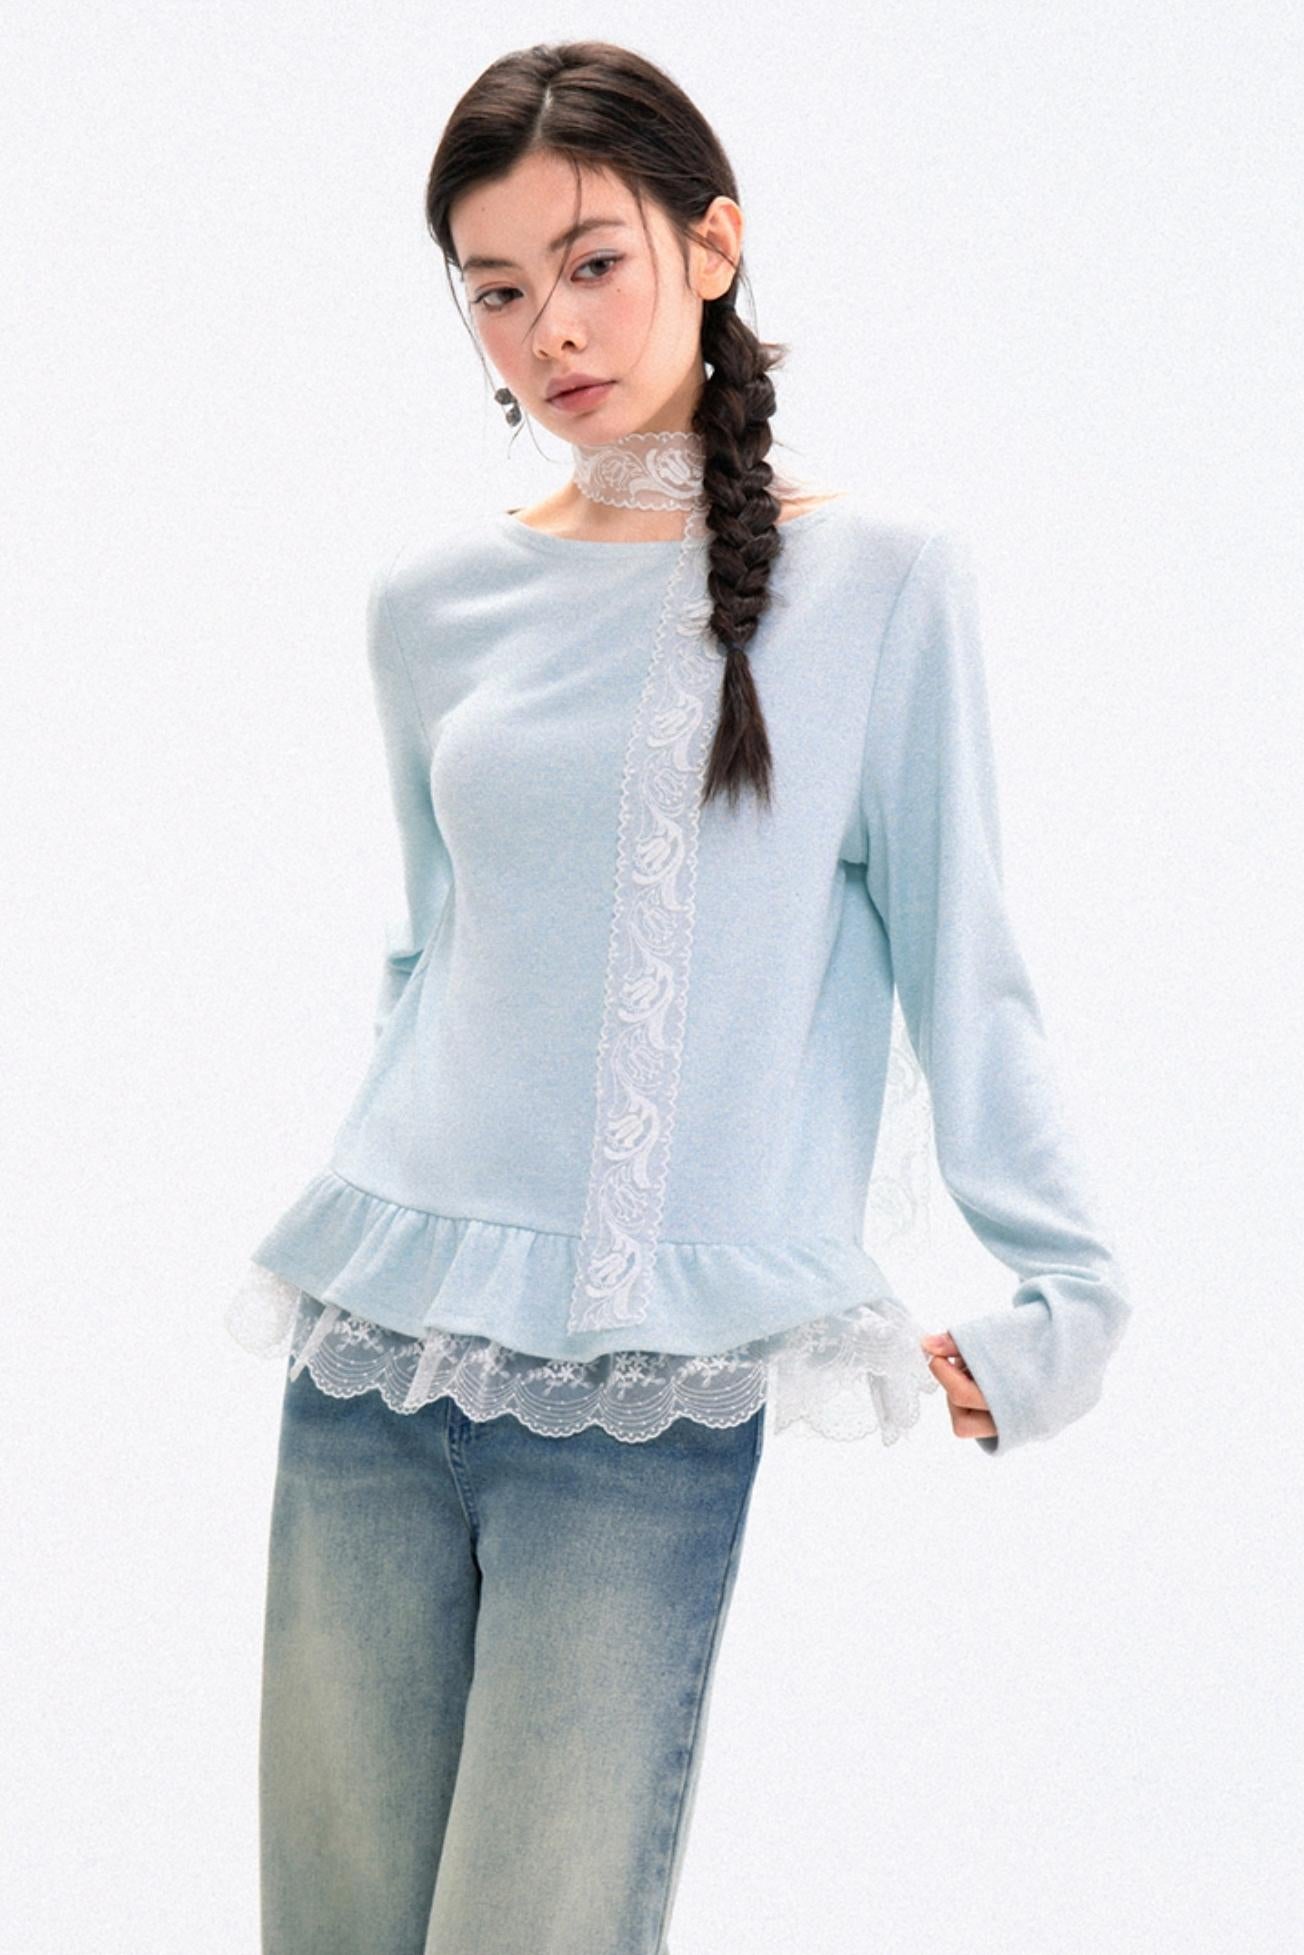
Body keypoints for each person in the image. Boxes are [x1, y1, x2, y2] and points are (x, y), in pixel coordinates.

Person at [225, 38, 1133, 1955]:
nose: (547, 330)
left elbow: (969, 961)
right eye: (494, 290)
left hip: (643, 1398)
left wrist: (1065, 1304)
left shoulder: (878, 584)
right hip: (375, 1347)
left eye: (591, 263)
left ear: (711, 245)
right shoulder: (427, 605)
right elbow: (432, 957)